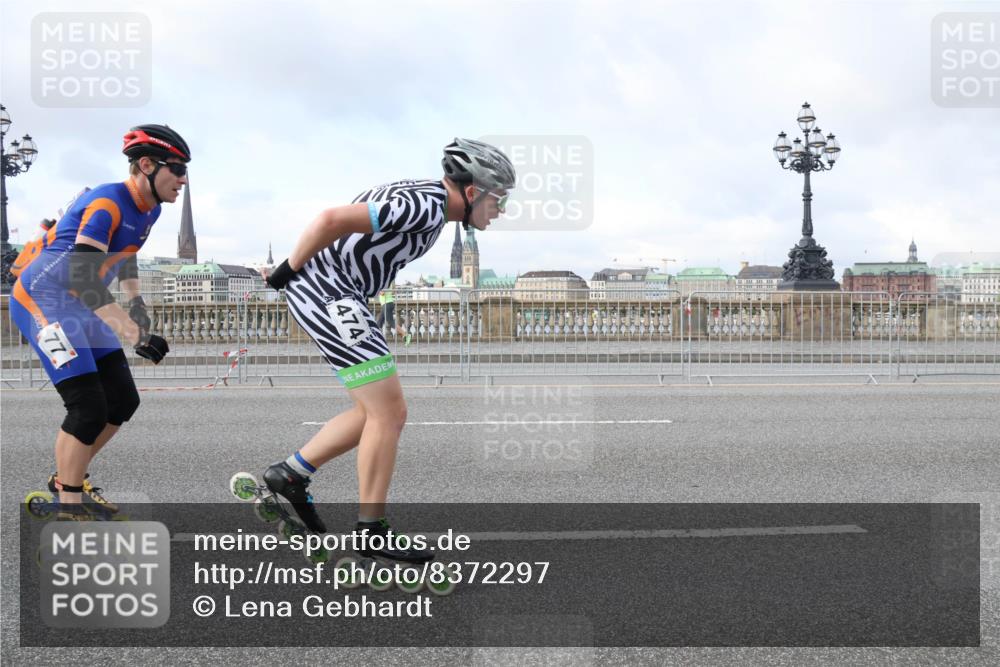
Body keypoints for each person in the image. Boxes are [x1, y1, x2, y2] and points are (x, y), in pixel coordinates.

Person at [261, 138, 514, 558]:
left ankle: (291, 473)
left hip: (338, 295)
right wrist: (287, 270)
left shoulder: (425, 198)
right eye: (498, 200)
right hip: (333, 295)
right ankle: (371, 529)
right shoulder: (428, 205)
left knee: (372, 413)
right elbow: (330, 220)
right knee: (390, 412)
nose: (500, 211)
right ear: (472, 193)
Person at [10, 124, 188, 519]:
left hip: (80, 304)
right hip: (43, 298)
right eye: (176, 168)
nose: (183, 179)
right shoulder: (106, 203)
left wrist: (136, 300)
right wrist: (133, 332)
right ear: (146, 165)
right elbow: (80, 274)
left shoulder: (150, 209)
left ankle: (67, 480)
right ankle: (68, 512)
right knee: (87, 407)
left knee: (124, 399)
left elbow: (126, 253)